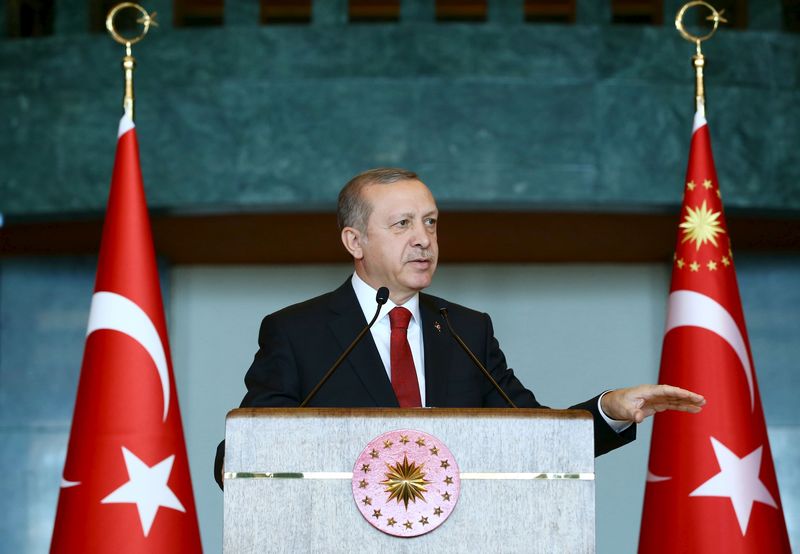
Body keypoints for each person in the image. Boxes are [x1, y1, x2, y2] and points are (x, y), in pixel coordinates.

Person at [214, 168, 705, 488]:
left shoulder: (466, 330)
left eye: (430, 223)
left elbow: (533, 435)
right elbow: (246, 453)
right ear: (355, 240)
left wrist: (609, 409)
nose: (423, 240)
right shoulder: (297, 331)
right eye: (402, 224)